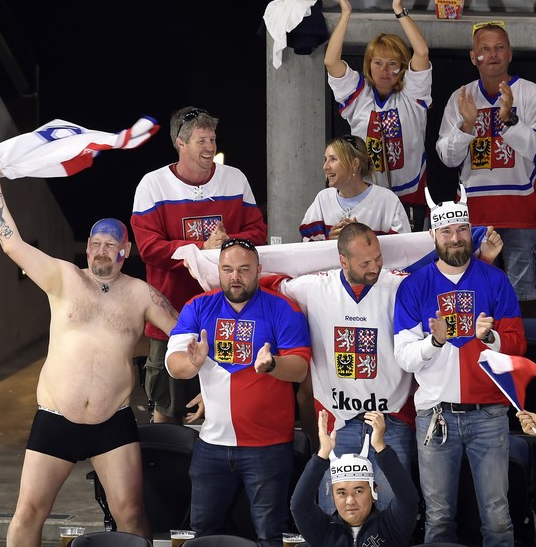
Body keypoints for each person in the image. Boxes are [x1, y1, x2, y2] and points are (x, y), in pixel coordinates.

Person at [0, 171, 180, 547]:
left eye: (111, 244)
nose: (102, 250)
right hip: (56, 418)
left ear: (126, 251)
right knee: (28, 513)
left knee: (132, 514)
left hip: (112, 423)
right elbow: (12, 246)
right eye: (96, 243)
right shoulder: (63, 277)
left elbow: (184, 335)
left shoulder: (141, 295)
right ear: (87, 247)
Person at [393, 185, 527, 546]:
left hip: (489, 416)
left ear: (472, 232)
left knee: (498, 519)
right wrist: (433, 342)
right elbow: (403, 356)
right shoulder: (413, 287)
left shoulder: (495, 280)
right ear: (434, 235)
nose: (455, 238)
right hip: (436, 415)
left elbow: (517, 345)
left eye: (462, 229)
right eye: (447, 231)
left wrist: (491, 339)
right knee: (437, 519)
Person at [166, 238, 311, 547]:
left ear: (258, 270)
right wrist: (192, 365)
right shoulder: (199, 305)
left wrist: (272, 365)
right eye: (228, 269)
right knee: (203, 534)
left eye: (244, 269)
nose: (235, 277)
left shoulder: (282, 308)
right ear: (217, 270)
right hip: (211, 446)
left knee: (270, 535)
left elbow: (299, 368)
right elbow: (173, 363)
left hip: (268, 447)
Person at [263, 223, 416, 514]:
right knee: (335, 511)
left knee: (392, 511)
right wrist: (206, 264)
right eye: (365, 263)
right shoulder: (313, 287)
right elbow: (259, 284)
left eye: (378, 258)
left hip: (390, 419)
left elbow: (447, 279)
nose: (375, 267)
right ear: (343, 260)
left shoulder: (399, 285)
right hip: (338, 421)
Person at [131, 107, 267, 424]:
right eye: (201, 140)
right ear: (180, 142)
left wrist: (228, 242)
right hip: (171, 316)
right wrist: (198, 249)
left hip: (230, 316)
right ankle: (169, 474)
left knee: (230, 407)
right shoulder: (152, 185)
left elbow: (258, 232)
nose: (210, 147)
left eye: (212, 138)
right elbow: (149, 248)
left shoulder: (235, 179)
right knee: (168, 409)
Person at [436, 21, 536, 318]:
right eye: (485, 49)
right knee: (473, 291)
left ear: (510, 54)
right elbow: (447, 158)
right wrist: (466, 127)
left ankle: (523, 360)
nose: (492, 54)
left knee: (525, 297)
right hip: (474, 212)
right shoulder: (460, 98)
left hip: (521, 211)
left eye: (499, 47)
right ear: (473, 57)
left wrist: (510, 122)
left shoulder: (530, 94)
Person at [324, 0, 431, 232]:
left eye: (393, 63)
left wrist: (399, 10)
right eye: (378, 63)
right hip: (367, 199)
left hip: (410, 198)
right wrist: (345, 14)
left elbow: (422, 52)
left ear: (403, 68)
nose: (385, 70)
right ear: (369, 66)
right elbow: (331, 62)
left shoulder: (413, 96)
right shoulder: (358, 96)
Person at [290, 409, 418, 547]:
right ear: (333, 497)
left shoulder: (391, 526)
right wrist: (322, 455)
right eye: (341, 493)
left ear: (374, 492)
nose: (350, 501)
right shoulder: (323, 531)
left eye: (358, 491)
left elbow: (408, 499)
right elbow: (299, 506)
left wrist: (381, 448)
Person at [299, 134, 410, 241]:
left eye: (333, 159)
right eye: (325, 159)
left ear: (354, 164)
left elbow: (402, 249)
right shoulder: (322, 199)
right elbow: (305, 247)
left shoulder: (388, 200)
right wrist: (328, 243)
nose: (325, 167)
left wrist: (364, 240)